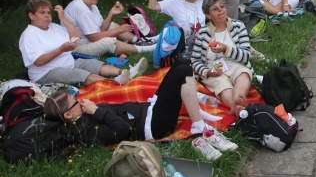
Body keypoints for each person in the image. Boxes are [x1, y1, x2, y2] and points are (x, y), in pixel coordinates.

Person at [43, 63, 237, 159]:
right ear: (68, 115)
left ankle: (197, 115)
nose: (81, 101)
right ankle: (199, 127)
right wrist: (97, 112)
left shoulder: (82, 116)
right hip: (154, 125)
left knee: (180, 65)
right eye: (75, 102)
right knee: (182, 72)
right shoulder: (86, 131)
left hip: (150, 110)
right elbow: (123, 129)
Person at [19, 0, 147, 86]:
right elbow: (38, 61)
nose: (47, 15)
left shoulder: (54, 27)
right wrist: (61, 50)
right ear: (31, 16)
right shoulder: (29, 34)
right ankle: (115, 84)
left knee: (94, 64)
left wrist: (63, 18)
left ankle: (128, 73)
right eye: (42, 13)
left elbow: (76, 36)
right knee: (81, 74)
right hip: (46, 73)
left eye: (48, 12)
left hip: (68, 63)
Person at [191, 0, 253, 114]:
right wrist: (207, 72)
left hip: (236, 64)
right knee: (222, 85)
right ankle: (237, 107)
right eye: (215, 9)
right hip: (213, 69)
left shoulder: (238, 26)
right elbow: (195, 60)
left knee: (244, 74)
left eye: (222, 6)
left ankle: (236, 103)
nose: (220, 10)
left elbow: (246, 55)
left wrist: (226, 50)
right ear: (208, 15)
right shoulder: (203, 33)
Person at [64, 0, 156, 57]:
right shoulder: (79, 8)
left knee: (112, 26)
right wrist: (118, 31)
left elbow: (101, 29)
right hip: (77, 47)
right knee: (109, 41)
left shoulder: (91, 5)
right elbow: (93, 38)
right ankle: (145, 49)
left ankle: (142, 40)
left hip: (89, 39)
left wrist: (111, 14)